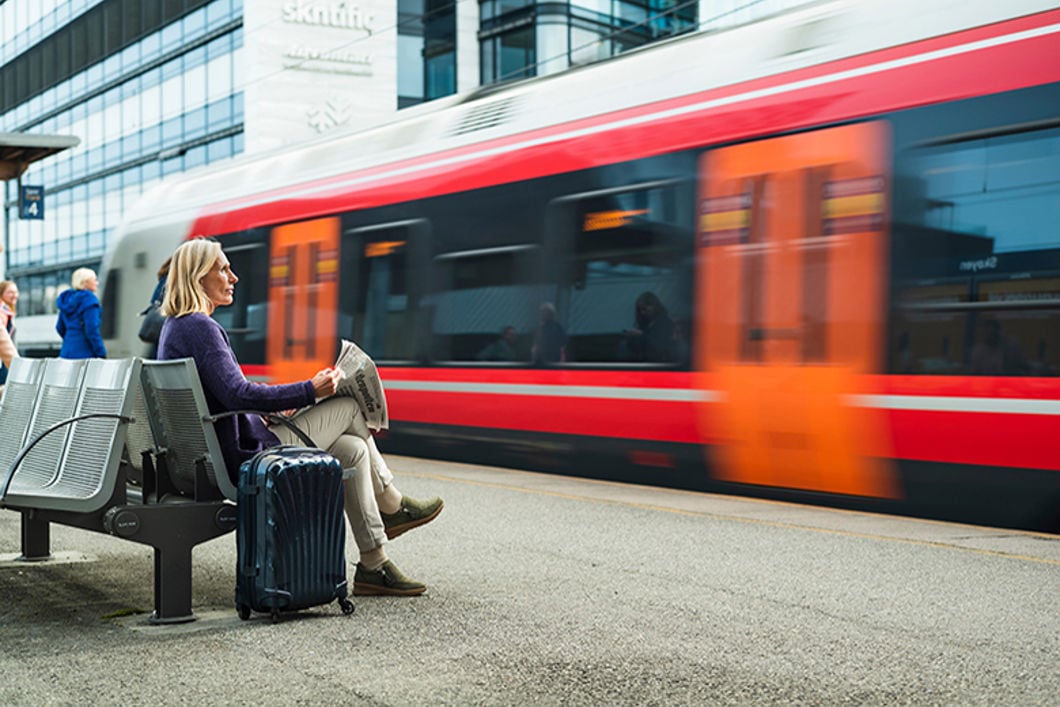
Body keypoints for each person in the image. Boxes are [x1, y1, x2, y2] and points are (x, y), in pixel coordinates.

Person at [158, 237, 443, 596]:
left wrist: (272, 407)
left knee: (352, 449)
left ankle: (374, 564)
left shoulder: (176, 327)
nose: (234, 277)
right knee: (349, 407)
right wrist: (310, 390)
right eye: (223, 268)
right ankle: (392, 503)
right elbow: (237, 394)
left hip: (216, 451)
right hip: (245, 456)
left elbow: (226, 389)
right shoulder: (201, 327)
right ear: (199, 276)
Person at [56, 267, 107, 359]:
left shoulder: (67, 300)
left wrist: (71, 339)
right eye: (94, 280)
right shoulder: (89, 301)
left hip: (66, 352)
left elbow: (59, 327)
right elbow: (92, 330)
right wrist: (101, 352)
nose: (97, 283)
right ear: (85, 282)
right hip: (85, 354)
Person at [620, 291, 675, 363]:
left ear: (654, 306)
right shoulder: (645, 324)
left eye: (644, 309)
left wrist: (641, 335)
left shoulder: (665, 322)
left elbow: (660, 344)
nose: (642, 313)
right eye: (640, 310)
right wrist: (631, 338)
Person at [140, 256, 172, 358]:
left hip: (159, 339)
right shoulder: (172, 280)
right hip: (165, 338)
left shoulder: (164, 279)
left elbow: (154, 302)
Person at [0, 280, 18, 386]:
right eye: (10, 292)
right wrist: (16, 365)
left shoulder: (7, 311)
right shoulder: (2, 312)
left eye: (16, 292)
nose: (14, 295)